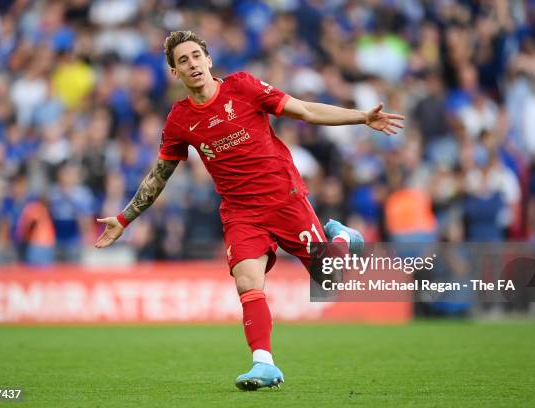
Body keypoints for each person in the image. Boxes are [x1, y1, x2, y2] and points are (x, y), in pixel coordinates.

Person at [95, 31, 404, 390]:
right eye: (183, 61)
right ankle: (264, 364)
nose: (192, 64)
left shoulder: (242, 87)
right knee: (247, 281)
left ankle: (342, 239)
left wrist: (361, 117)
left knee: (330, 281)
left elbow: (304, 110)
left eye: (196, 56)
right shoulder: (179, 120)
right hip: (241, 212)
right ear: (174, 73)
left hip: (283, 198)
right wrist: (123, 219)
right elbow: (159, 176)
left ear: (209, 60)